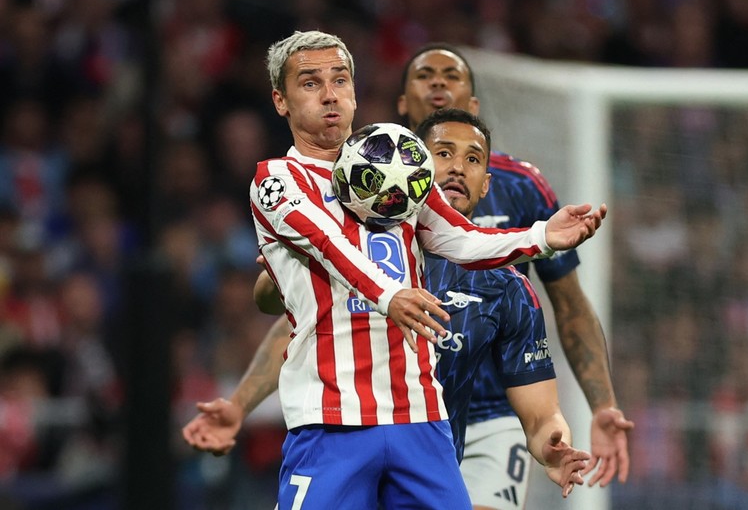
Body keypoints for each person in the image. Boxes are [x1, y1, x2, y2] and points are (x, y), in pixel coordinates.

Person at [184, 30, 605, 509]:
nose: (329, 95)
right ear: (280, 100)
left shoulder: (397, 168)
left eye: (340, 80)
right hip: (331, 419)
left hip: (420, 418)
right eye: (310, 83)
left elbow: (461, 238)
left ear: (355, 91)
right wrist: (391, 295)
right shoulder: (276, 181)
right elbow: (328, 243)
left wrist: (543, 237)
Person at [398, 43, 634, 509]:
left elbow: (569, 305)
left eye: (452, 74)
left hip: (490, 414)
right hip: (372, 422)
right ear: (401, 105)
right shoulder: (367, 212)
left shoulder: (515, 222)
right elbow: (296, 307)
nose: (440, 83)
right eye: (426, 75)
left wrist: (599, 407)